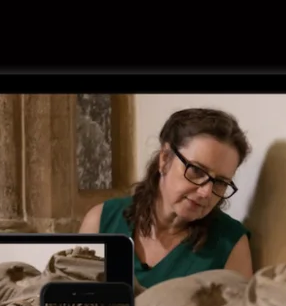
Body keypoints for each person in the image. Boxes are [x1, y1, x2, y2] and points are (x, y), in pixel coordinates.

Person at [81, 108, 253, 287]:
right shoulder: (101, 221)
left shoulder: (230, 245)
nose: (206, 192)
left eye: (220, 182)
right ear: (164, 159)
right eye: (196, 170)